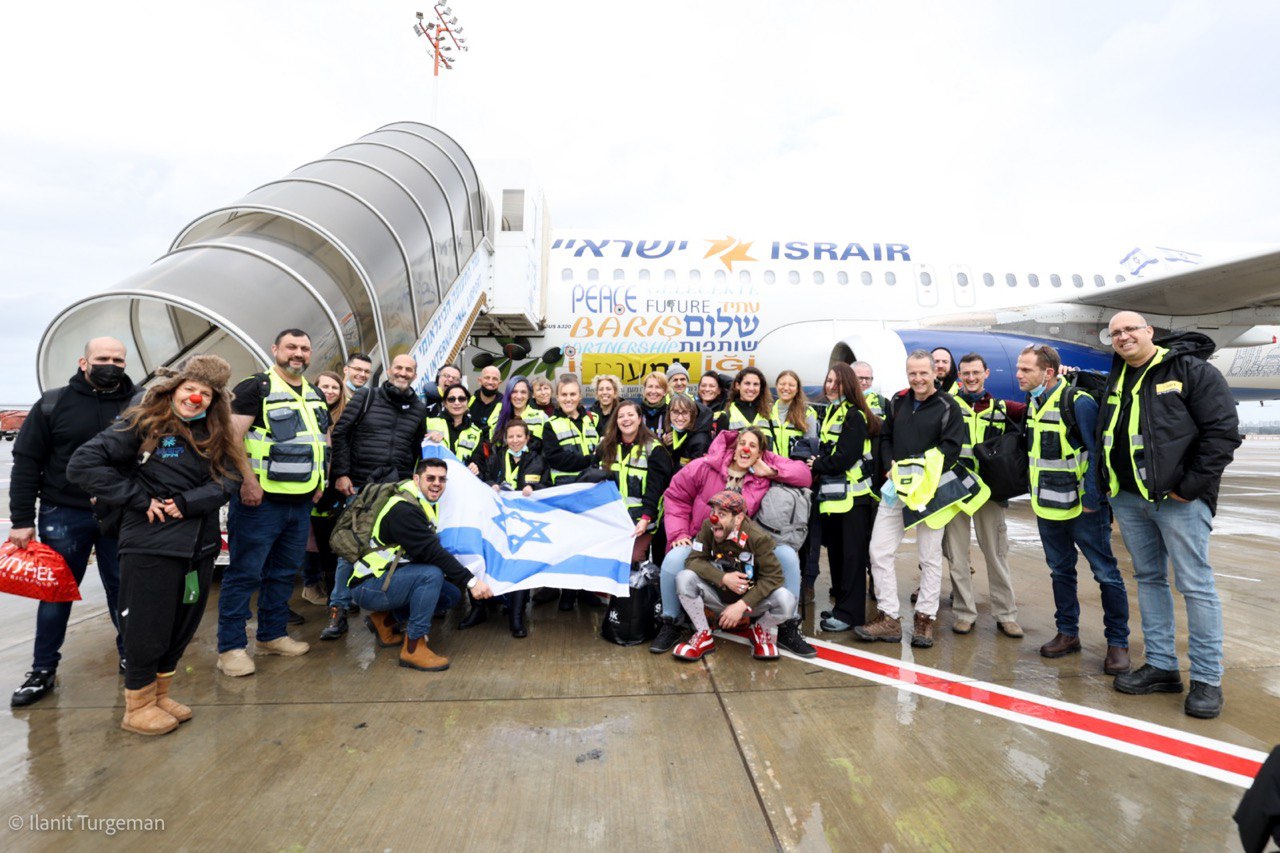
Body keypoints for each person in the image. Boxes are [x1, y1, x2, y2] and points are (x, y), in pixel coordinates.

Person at [66, 355, 242, 735]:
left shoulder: (214, 435)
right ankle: (138, 705)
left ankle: (160, 695)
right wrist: (141, 499)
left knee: (180, 626)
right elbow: (82, 465)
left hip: (200, 547)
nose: (196, 399)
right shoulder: (142, 424)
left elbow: (228, 481)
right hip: (151, 545)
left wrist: (186, 503)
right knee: (147, 627)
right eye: (190, 390)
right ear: (174, 389)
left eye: (205, 394)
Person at [1099, 313, 1241, 719]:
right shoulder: (1118, 376)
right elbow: (1108, 434)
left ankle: (1207, 680)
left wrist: (1189, 488)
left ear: (1149, 332)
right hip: (1128, 498)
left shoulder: (1190, 370)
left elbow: (1222, 432)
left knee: (1195, 586)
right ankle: (1161, 665)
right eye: (1116, 333)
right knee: (1148, 579)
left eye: (1130, 329)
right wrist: (1107, 486)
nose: (1123, 336)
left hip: (1178, 500)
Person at [9, 337, 134, 707]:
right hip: (64, 513)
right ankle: (42, 669)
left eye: (118, 359)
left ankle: (132, 658)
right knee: (55, 594)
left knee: (124, 590)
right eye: (103, 358)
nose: (111, 364)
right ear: (84, 362)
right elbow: (27, 461)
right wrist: (21, 518)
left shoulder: (139, 403)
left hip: (121, 513)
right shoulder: (53, 403)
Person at [218, 329, 329, 676]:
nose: (298, 353)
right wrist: (247, 482)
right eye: (291, 347)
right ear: (275, 349)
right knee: (244, 574)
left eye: (304, 348)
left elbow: (323, 440)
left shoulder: (313, 392)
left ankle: (271, 635)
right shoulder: (256, 387)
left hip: (300, 502)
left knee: (282, 573)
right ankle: (231, 648)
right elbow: (231, 438)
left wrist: (321, 481)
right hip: (260, 501)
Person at [1015, 344, 1130, 675]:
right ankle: (1068, 633)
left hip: (1083, 509)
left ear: (1047, 372)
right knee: (1060, 571)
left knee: (1105, 573)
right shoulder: (1033, 402)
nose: (1019, 374)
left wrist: (1094, 501)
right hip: (1047, 506)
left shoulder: (1078, 403)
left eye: (1026, 369)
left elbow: (1096, 454)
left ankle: (1118, 643)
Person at [855, 350, 981, 649]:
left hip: (930, 493)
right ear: (907, 373)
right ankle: (889, 617)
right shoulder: (898, 401)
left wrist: (919, 473)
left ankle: (925, 619)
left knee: (929, 556)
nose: (918, 379)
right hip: (896, 488)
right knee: (879, 551)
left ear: (934, 373)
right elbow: (886, 437)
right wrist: (889, 466)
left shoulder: (948, 405)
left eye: (923, 373)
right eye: (912, 373)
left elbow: (951, 449)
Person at [653, 427, 815, 658]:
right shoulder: (705, 465)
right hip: (705, 538)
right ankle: (671, 621)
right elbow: (676, 496)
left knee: (787, 555)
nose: (745, 448)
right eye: (742, 443)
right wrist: (679, 534)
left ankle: (787, 627)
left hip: (745, 544)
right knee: (674, 559)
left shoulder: (762, 470)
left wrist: (770, 471)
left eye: (752, 445)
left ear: (760, 453)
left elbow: (803, 474)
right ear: (734, 445)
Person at [347, 457, 494, 671]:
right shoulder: (404, 510)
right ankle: (414, 647)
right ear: (416, 479)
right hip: (369, 585)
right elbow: (432, 552)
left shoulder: (421, 502)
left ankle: (384, 621)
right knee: (431, 575)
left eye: (442, 479)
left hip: (390, 577)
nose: (437, 483)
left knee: (449, 595)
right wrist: (472, 582)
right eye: (431, 478)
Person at [321, 353, 427, 640]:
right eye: (399, 368)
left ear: (415, 375)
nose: (403, 373)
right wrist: (342, 473)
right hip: (361, 485)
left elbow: (418, 448)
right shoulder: (367, 396)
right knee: (349, 550)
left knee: (394, 549)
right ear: (389, 371)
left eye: (409, 370)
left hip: (396, 489)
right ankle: (339, 609)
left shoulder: (418, 408)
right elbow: (341, 433)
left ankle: (387, 614)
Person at [943, 353, 1025, 638]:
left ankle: (1006, 614)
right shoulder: (948, 406)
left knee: (996, 554)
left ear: (986, 373)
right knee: (957, 557)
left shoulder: (1003, 408)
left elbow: (1037, 409)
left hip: (990, 492)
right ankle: (964, 613)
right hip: (956, 491)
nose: (971, 378)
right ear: (959, 376)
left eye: (976, 373)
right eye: (965, 373)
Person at [672, 491, 798, 662]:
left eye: (722, 514)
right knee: (684, 578)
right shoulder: (708, 527)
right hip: (717, 597)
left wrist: (741, 606)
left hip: (749, 605)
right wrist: (723, 578)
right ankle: (703, 634)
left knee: (787, 600)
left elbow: (773, 577)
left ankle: (760, 630)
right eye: (713, 512)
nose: (714, 518)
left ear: (738, 518)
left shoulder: (757, 538)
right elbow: (693, 560)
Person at [810, 363, 881, 633]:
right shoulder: (833, 411)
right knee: (838, 555)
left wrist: (817, 464)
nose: (830, 387)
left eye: (836, 382)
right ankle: (842, 606)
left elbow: (844, 458)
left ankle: (851, 614)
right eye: (828, 381)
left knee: (853, 557)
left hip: (855, 498)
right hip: (836, 499)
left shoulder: (855, 415)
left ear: (847, 385)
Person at [461, 418, 545, 637]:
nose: (515, 440)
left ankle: (516, 617)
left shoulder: (537, 458)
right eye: (511, 437)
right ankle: (478, 609)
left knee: (519, 563)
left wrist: (533, 486)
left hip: (523, 523)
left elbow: (546, 485)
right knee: (482, 558)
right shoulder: (496, 457)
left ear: (527, 438)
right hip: (496, 521)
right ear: (505, 439)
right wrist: (491, 485)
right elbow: (484, 479)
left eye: (519, 436)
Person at [596, 400, 674, 565]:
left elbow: (656, 489)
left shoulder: (654, 449)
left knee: (634, 559)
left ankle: (639, 591)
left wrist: (646, 518)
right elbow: (592, 476)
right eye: (621, 416)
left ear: (640, 419)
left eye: (630, 415)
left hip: (641, 521)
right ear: (616, 421)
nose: (626, 419)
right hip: (613, 520)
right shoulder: (606, 446)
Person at [301, 371, 347, 606]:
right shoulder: (305, 411)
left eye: (334, 387)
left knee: (330, 542)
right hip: (309, 485)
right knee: (309, 540)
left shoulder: (345, 416)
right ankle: (310, 584)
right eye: (324, 386)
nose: (329, 391)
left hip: (334, 487)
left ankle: (330, 589)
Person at [542, 374, 601, 487]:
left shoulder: (594, 419)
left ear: (580, 396)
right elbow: (556, 459)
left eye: (573, 394)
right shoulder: (550, 425)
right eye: (564, 394)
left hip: (593, 485)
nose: (568, 399)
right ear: (557, 397)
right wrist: (590, 459)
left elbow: (603, 450)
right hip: (565, 487)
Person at [424, 386, 487, 474]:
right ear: (445, 403)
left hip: (460, 481)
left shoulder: (476, 432)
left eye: (461, 399)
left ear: (467, 402)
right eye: (451, 399)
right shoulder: (429, 422)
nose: (457, 403)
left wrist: (475, 465)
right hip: (434, 479)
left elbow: (478, 458)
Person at [715, 367, 775, 440]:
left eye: (756, 384)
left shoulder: (770, 413)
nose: (751, 388)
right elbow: (720, 448)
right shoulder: (726, 415)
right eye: (747, 383)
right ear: (738, 385)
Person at [493, 377, 549, 450]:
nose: (519, 396)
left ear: (529, 395)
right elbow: (494, 444)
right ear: (509, 394)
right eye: (514, 392)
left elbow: (549, 447)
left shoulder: (541, 416)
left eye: (523, 392)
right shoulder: (498, 415)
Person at [771, 369, 817, 458]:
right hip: (770, 468)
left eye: (791, 385)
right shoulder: (767, 412)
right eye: (782, 384)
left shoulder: (807, 413)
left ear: (797, 389)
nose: (786, 388)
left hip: (794, 469)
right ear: (776, 386)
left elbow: (810, 448)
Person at [663, 393, 712, 473]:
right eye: (675, 412)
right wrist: (664, 446)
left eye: (685, 413)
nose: (680, 418)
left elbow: (696, 476)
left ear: (692, 414)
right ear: (669, 413)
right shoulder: (671, 433)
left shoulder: (701, 441)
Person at [469, 365, 504, 436]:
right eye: (487, 378)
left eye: (495, 379)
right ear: (480, 381)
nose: (490, 382)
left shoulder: (506, 405)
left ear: (499, 383)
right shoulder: (468, 401)